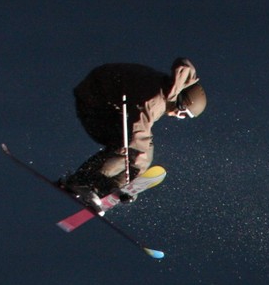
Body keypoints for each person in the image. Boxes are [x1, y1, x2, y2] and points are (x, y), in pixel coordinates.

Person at [60, 58, 207, 210]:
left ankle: (107, 184)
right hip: (92, 102)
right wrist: (134, 168)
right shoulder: (155, 100)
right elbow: (138, 134)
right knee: (127, 146)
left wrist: (125, 184)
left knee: (141, 149)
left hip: (104, 102)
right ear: (180, 102)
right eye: (183, 114)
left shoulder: (163, 91)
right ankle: (83, 182)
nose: (178, 117)